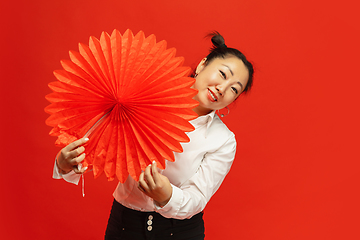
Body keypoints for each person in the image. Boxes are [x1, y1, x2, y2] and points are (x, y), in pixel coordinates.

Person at [53, 31, 254, 240]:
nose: (222, 89)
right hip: (125, 225)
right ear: (203, 64)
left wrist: (167, 196)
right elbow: (100, 139)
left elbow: (198, 198)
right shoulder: (146, 96)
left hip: (181, 232)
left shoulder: (223, 140)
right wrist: (65, 165)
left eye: (234, 89)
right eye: (223, 74)